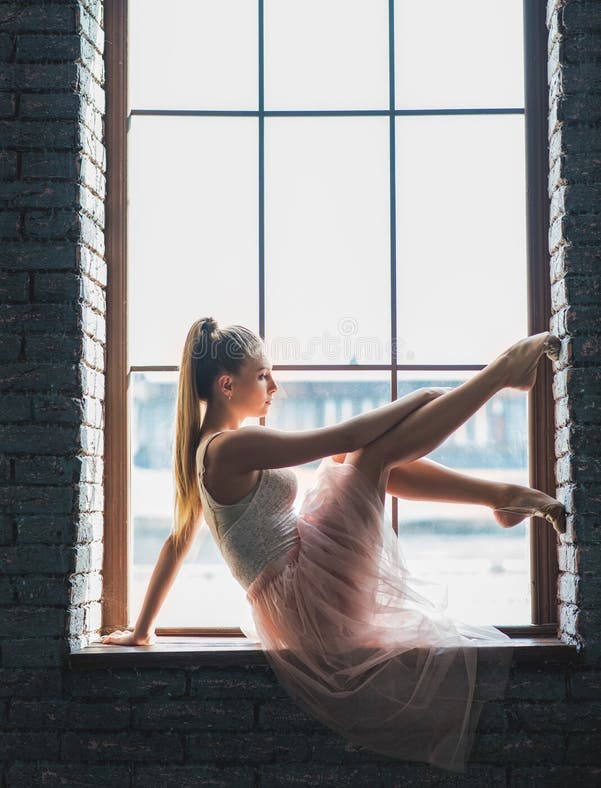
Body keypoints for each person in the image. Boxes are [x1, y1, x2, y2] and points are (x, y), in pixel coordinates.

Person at [101, 317, 565, 772]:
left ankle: (502, 497)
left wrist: (143, 631)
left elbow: (175, 542)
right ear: (226, 385)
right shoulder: (232, 448)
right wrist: (419, 398)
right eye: (262, 375)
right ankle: (502, 372)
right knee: (365, 453)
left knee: (355, 462)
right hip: (311, 595)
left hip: (299, 586)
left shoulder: (209, 448)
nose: (274, 386)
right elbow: (343, 435)